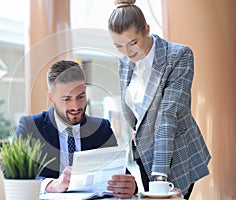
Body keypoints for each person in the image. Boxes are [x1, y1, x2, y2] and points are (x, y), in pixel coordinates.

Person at [108, 0, 211, 199]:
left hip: (175, 153)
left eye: (133, 43)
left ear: (146, 29)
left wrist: (160, 178)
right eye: (118, 46)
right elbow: (135, 110)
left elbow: (167, 115)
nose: (128, 52)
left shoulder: (178, 56)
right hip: (144, 153)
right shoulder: (124, 63)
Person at [14, 60, 136, 198]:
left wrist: (130, 185)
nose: (76, 106)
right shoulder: (30, 127)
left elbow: (120, 173)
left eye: (80, 97)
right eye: (66, 99)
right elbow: (11, 176)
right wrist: (51, 185)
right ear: (51, 98)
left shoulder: (101, 128)